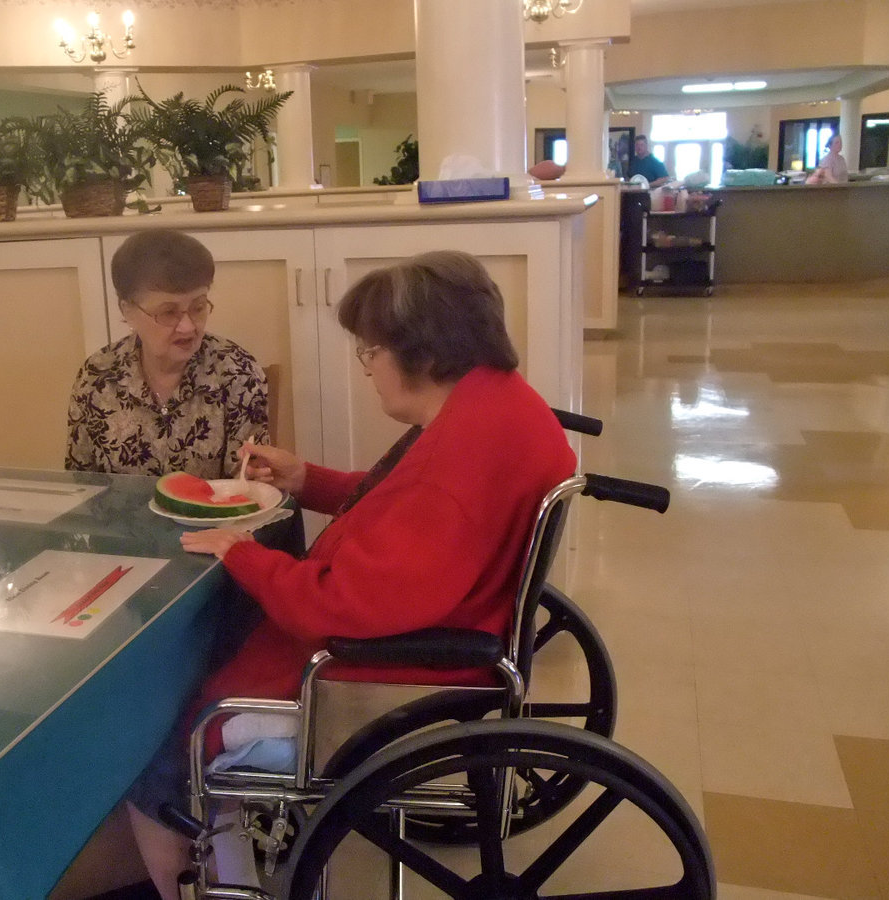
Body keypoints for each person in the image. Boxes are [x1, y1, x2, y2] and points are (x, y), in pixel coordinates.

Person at [123, 250, 578, 899]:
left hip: (371, 675)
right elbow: (396, 509)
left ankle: (213, 873)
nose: (367, 368)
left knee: (160, 744)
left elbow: (337, 606)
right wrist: (308, 481)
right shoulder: (493, 409)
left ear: (417, 353)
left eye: (370, 351)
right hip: (452, 627)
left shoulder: (454, 468)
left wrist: (243, 553)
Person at [65, 229, 269, 478]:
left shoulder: (238, 373)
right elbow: (81, 484)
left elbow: (246, 487)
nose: (188, 326)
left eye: (198, 307)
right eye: (168, 312)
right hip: (120, 518)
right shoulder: (98, 375)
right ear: (127, 310)